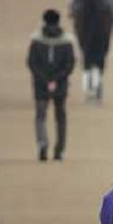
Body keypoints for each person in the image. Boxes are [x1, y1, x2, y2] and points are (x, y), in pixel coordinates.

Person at [27, 9, 75, 161]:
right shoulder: (66, 42)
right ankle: (59, 150)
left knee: (40, 116)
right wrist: (55, 80)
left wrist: (45, 80)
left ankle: (42, 143)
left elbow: (32, 63)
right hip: (60, 85)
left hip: (41, 85)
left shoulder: (36, 41)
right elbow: (69, 64)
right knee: (60, 117)